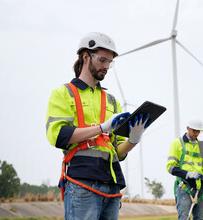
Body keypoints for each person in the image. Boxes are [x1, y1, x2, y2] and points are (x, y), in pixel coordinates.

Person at [46, 32, 150, 220]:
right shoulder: (63, 94)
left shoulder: (112, 101)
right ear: (86, 57)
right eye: (102, 60)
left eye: (110, 62)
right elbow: (59, 136)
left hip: (112, 183)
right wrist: (102, 127)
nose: (107, 67)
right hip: (82, 182)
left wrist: (133, 140)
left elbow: (117, 152)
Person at [166, 119, 203, 220]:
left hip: (201, 188)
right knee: (184, 217)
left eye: (198, 131)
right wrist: (188, 174)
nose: (196, 133)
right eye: (194, 131)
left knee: (200, 217)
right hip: (184, 187)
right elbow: (170, 167)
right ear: (187, 128)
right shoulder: (177, 143)